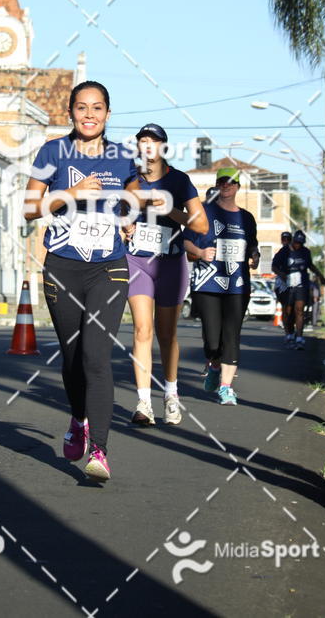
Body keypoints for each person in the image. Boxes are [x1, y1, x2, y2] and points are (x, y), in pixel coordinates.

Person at [23, 81, 139, 481]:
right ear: (70, 112)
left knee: (96, 356)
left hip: (108, 267)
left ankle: (100, 451)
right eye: (81, 107)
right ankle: (77, 418)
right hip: (63, 266)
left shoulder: (124, 157)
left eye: (97, 108)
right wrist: (70, 192)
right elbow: (29, 208)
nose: (89, 114)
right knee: (73, 359)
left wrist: (129, 215)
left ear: (108, 113)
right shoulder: (52, 151)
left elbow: (135, 192)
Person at [125, 123, 207, 426]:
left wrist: (171, 210)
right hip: (137, 260)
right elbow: (120, 213)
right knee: (142, 329)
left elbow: (201, 227)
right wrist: (126, 226)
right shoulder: (131, 181)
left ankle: (171, 395)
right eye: (143, 141)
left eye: (153, 141)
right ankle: (143, 402)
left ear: (163, 147)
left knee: (167, 333)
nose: (148, 146)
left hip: (170, 262)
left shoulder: (180, 181)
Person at [183, 167, 260, 405]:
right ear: (217, 185)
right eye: (222, 182)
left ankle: (226, 387)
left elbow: (253, 246)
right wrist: (200, 251)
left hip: (237, 284)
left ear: (238, 187)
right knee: (213, 339)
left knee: (232, 335)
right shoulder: (204, 212)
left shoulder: (246, 218)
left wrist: (255, 256)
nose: (226, 186)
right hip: (207, 284)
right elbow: (186, 242)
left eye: (231, 182)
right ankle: (213, 364)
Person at [272, 229, 325, 350]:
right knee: (288, 311)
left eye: (300, 243)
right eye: (296, 242)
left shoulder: (305, 252)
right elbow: (274, 266)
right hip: (287, 284)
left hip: (301, 284)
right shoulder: (284, 251)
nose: (298, 245)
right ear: (293, 241)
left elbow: (310, 265)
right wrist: (282, 275)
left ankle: (300, 337)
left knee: (299, 310)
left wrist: (320, 276)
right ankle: (289, 334)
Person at [272, 231, 292, 336]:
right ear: (281, 240)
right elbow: (274, 267)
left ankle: (295, 331)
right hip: (283, 284)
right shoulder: (280, 253)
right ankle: (287, 332)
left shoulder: (296, 252)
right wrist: (281, 274)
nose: (286, 242)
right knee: (286, 307)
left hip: (295, 282)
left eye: (288, 239)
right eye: (284, 239)